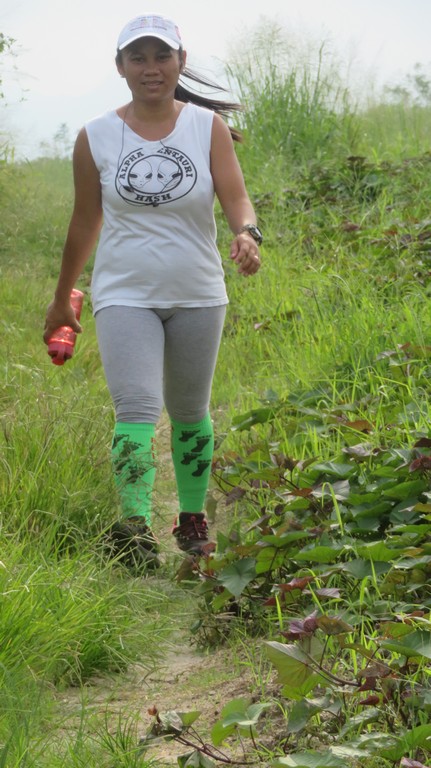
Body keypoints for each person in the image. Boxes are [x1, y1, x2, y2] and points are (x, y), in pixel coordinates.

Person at [43, 13, 262, 570]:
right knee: (136, 406)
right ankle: (135, 530)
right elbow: (84, 221)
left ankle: (191, 520)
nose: (151, 68)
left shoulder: (206, 127)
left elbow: (236, 197)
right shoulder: (95, 135)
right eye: (137, 58)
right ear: (120, 67)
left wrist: (247, 233)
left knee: (189, 410)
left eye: (162, 56)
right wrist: (62, 297)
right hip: (124, 294)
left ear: (180, 62)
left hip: (198, 292)